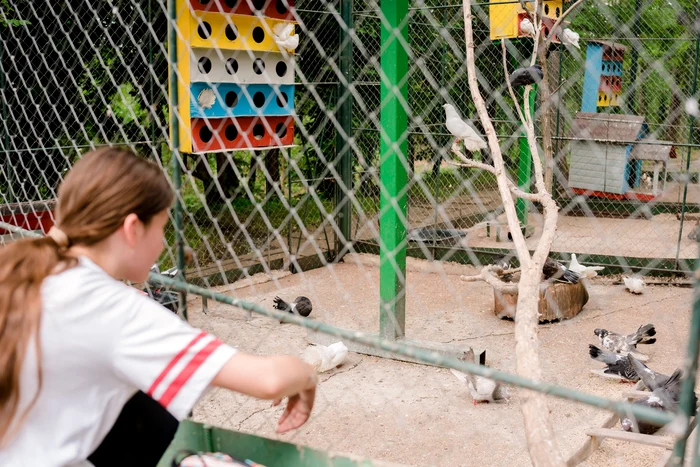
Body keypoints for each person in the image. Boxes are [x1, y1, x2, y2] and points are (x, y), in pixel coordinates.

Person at [0, 147, 317, 467]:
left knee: (144, 398)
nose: (165, 243)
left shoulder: (20, 273)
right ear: (133, 229)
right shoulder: (113, 308)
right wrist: (307, 373)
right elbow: (268, 380)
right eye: (163, 227)